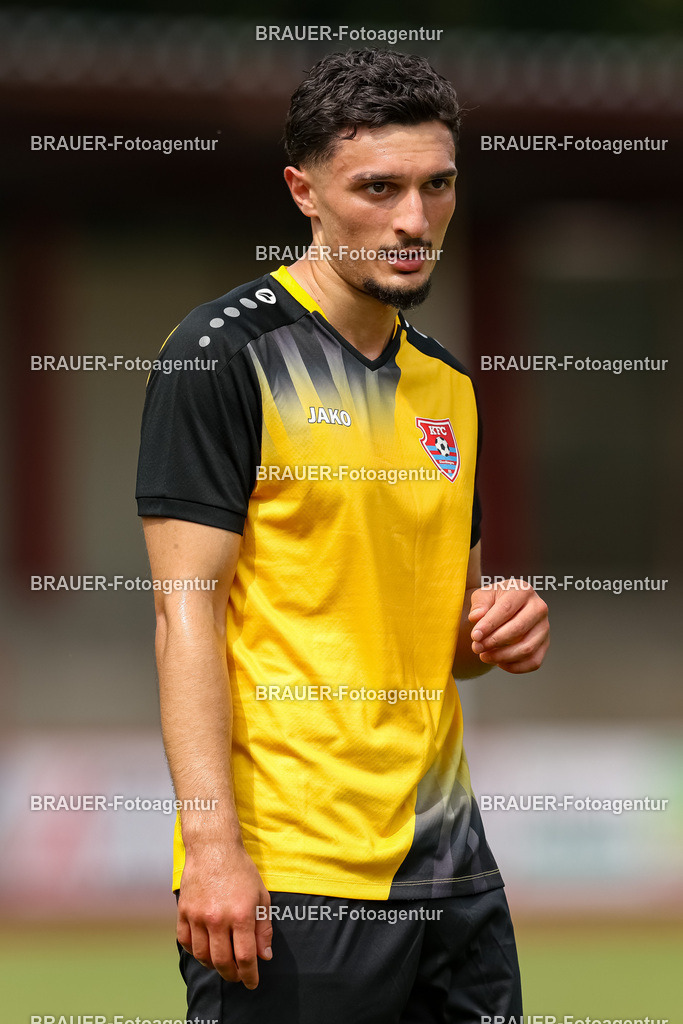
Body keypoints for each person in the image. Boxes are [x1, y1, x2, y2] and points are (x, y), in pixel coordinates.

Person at [136, 47, 549, 1024]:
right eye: (378, 188)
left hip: (451, 869)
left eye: (435, 185)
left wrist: (498, 627)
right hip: (295, 874)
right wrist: (213, 847)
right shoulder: (220, 358)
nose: (413, 220)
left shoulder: (448, 387)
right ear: (304, 191)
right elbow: (180, 615)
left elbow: (447, 635)